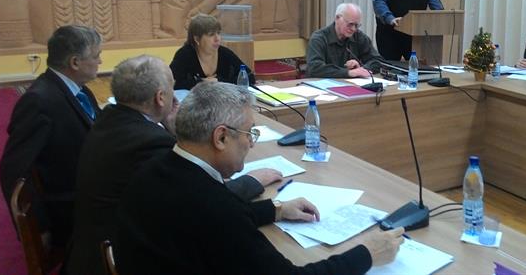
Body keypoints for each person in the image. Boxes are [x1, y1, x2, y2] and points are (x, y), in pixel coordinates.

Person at [114, 81, 404, 274]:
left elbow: (211, 219)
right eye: (249, 133)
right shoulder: (213, 208)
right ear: (221, 137)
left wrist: (276, 210)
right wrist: (367, 253)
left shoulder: (154, 170)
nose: (251, 144)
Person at [66, 56, 279, 275]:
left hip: (101, 246)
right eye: (172, 87)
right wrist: (256, 187)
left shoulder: (110, 119)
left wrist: (176, 130)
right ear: (161, 97)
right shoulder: (150, 143)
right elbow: (205, 204)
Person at [0, 25, 102, 248]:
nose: (100, 62)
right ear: (75, 62)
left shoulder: (80, 89)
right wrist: (38, 227)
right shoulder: (39, 101)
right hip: (70, 208)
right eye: (96, 56)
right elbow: (14, 169)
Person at [170, 13, 256, 90]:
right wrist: (202, 83)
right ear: (197, 39)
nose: (217, 39)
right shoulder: (184, 55)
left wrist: (219, 81)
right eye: (211, 34)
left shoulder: (224, 53)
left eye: (218, 33)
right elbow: (171, 83)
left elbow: (250, 77)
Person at [306, 3, 382, 78]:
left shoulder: (358, 36)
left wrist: (362, 68)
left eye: (356, 25)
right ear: (337, 18)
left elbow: (377, 61)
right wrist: (348, 72)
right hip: (322, 84)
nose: (353, 29)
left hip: (351, 84)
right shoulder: (319, 38)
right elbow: (314, 68)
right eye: (350, 24)